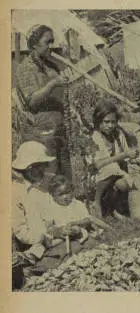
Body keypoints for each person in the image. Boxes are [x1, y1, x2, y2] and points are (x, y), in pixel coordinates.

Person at [14, 24, 73, 181]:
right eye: (48, 42)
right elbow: (32, 102)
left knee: (66, 178)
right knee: (48, 177)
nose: (51, 46)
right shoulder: (25, 68)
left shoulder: (52, 66)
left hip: (59, 129)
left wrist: (66, 79)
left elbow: (61, 96)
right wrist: (53, 83)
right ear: (34, 44)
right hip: (42, 134)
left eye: (53, 41)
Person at [89, 101, 138, 218]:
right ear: (98, 121)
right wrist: (123, 155)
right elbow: (97, 164)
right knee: (110, 168)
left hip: (116, 172)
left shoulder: (118, 134)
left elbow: (126, 154)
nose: (110, 125)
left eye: (113, 122)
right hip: (96, 175)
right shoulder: (94, 137)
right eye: (106, 122)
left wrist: (131, 155)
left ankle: (113, 208)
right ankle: (96, 201)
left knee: (124, 183)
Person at [11, 141, 57, 265]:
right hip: (37, 243)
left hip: (57, 232)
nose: (45, 169)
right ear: (29, 167)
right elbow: (21, 231)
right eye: (41, 166)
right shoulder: (16, 191)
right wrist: (44, 236)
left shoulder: (46, 181)